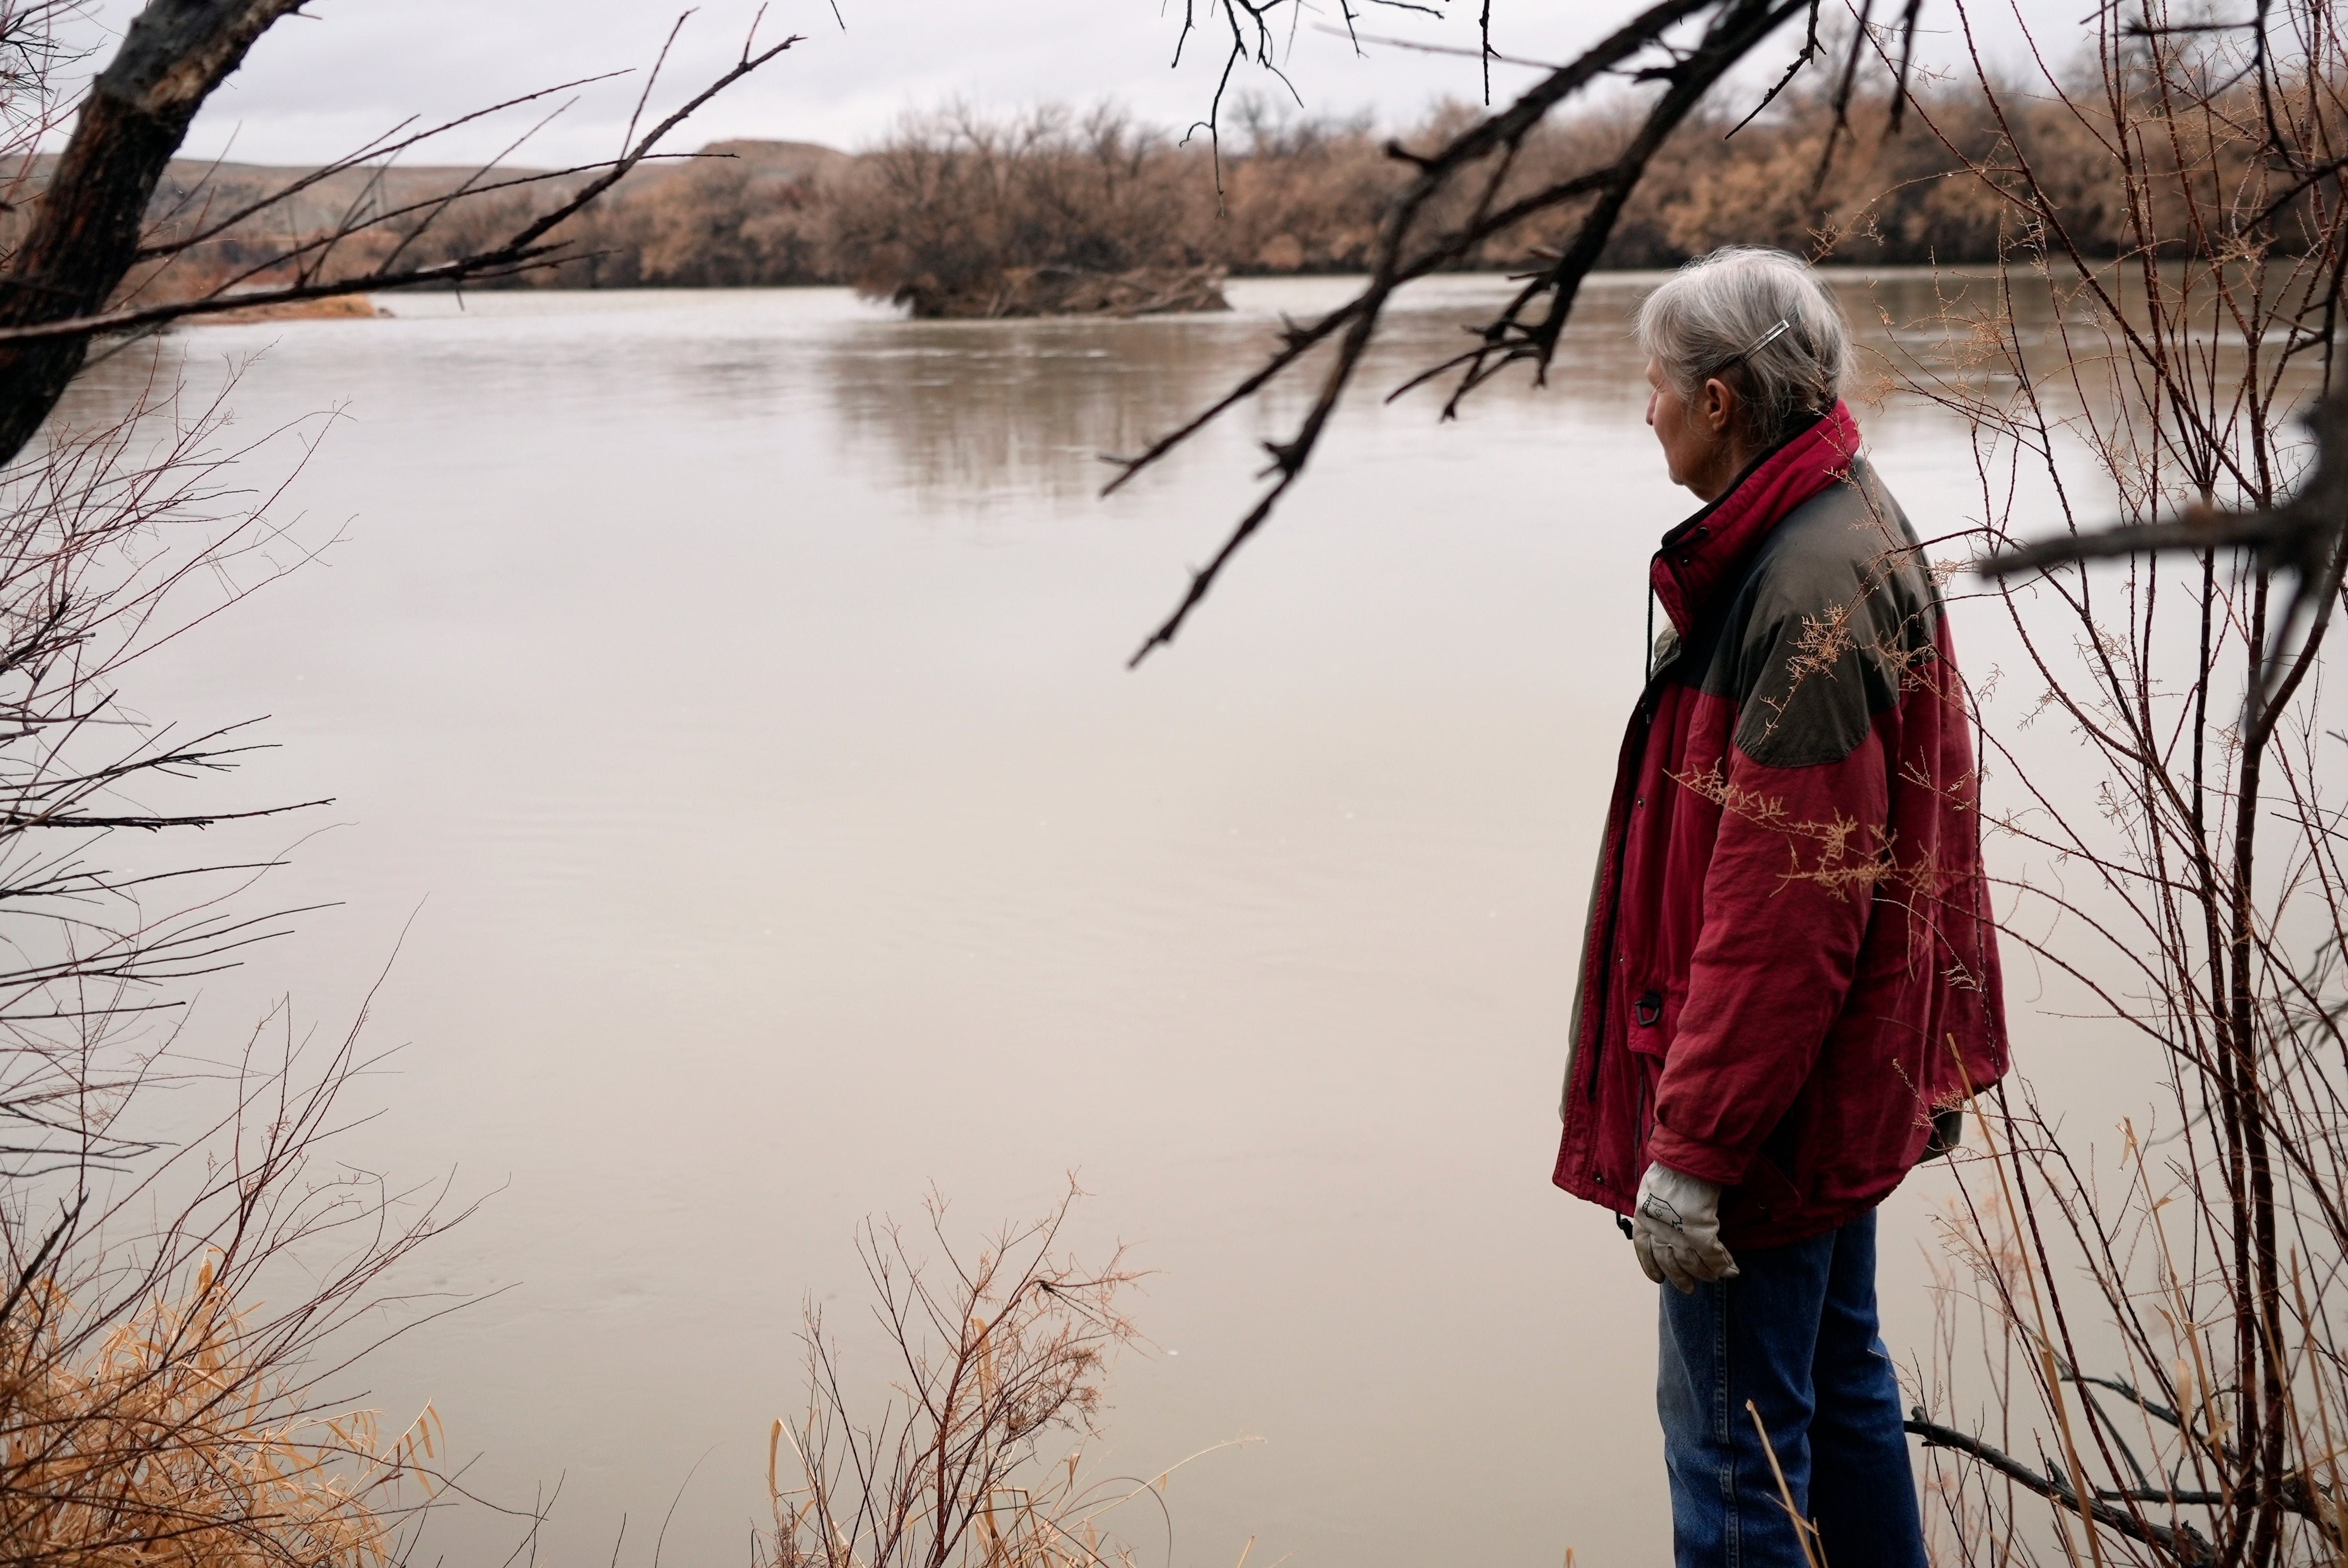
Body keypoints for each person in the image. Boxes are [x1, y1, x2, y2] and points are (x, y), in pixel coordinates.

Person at [1551, 247, 2007, 1566]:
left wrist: (1692, 1156)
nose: (1642, 410)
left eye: (1652, 385)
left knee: (1735, 1458)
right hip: (1827, 1081)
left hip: (1765, 1115)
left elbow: (1780, 920)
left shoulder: (1800, 582)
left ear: (1721, 399)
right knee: (1838, 1397)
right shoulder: (1828, 530)